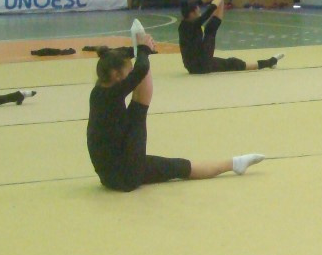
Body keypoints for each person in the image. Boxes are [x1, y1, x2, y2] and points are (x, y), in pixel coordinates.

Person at [87, 27, 265, 192]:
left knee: (178, 166)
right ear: (116, 75)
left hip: (113, 171)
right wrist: (143, 50)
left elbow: (126, 64)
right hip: (126, 175)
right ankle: (233, 164)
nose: (131, 73)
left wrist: (138, 48)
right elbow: (141, 69)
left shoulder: (100, 91)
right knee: (139, 108)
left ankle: (234, 163)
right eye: (129, 70)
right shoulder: (110, 96)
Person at [178, 0, 283, 74]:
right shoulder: (191, 26)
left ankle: (270, 62)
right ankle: (269, 62)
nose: (199, 12)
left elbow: (199, 1)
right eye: (198, 11)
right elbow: (210, 10)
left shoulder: (185, 22)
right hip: (200, 64)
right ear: (192, 13)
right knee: (210, 28)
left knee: (232, 63)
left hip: (198, 64)